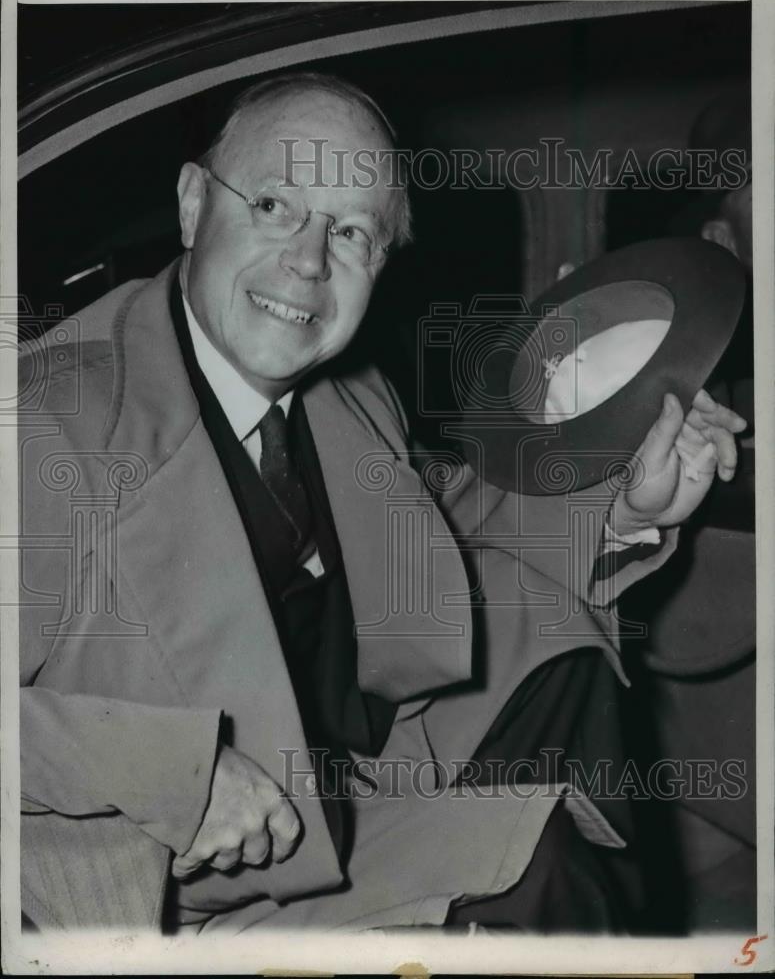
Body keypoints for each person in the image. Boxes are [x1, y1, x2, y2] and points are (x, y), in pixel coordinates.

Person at [18, 72, 746, 934]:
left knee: (557, 665)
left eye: (351, 231)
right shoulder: (44, 425)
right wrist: (172, 774)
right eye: (275, 204)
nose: (308, 259)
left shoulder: (341, 392)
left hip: (342, 788)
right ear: (190, 205)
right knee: (535, 880)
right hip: (169, 885)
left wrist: (624, 507)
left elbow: (445, 528)